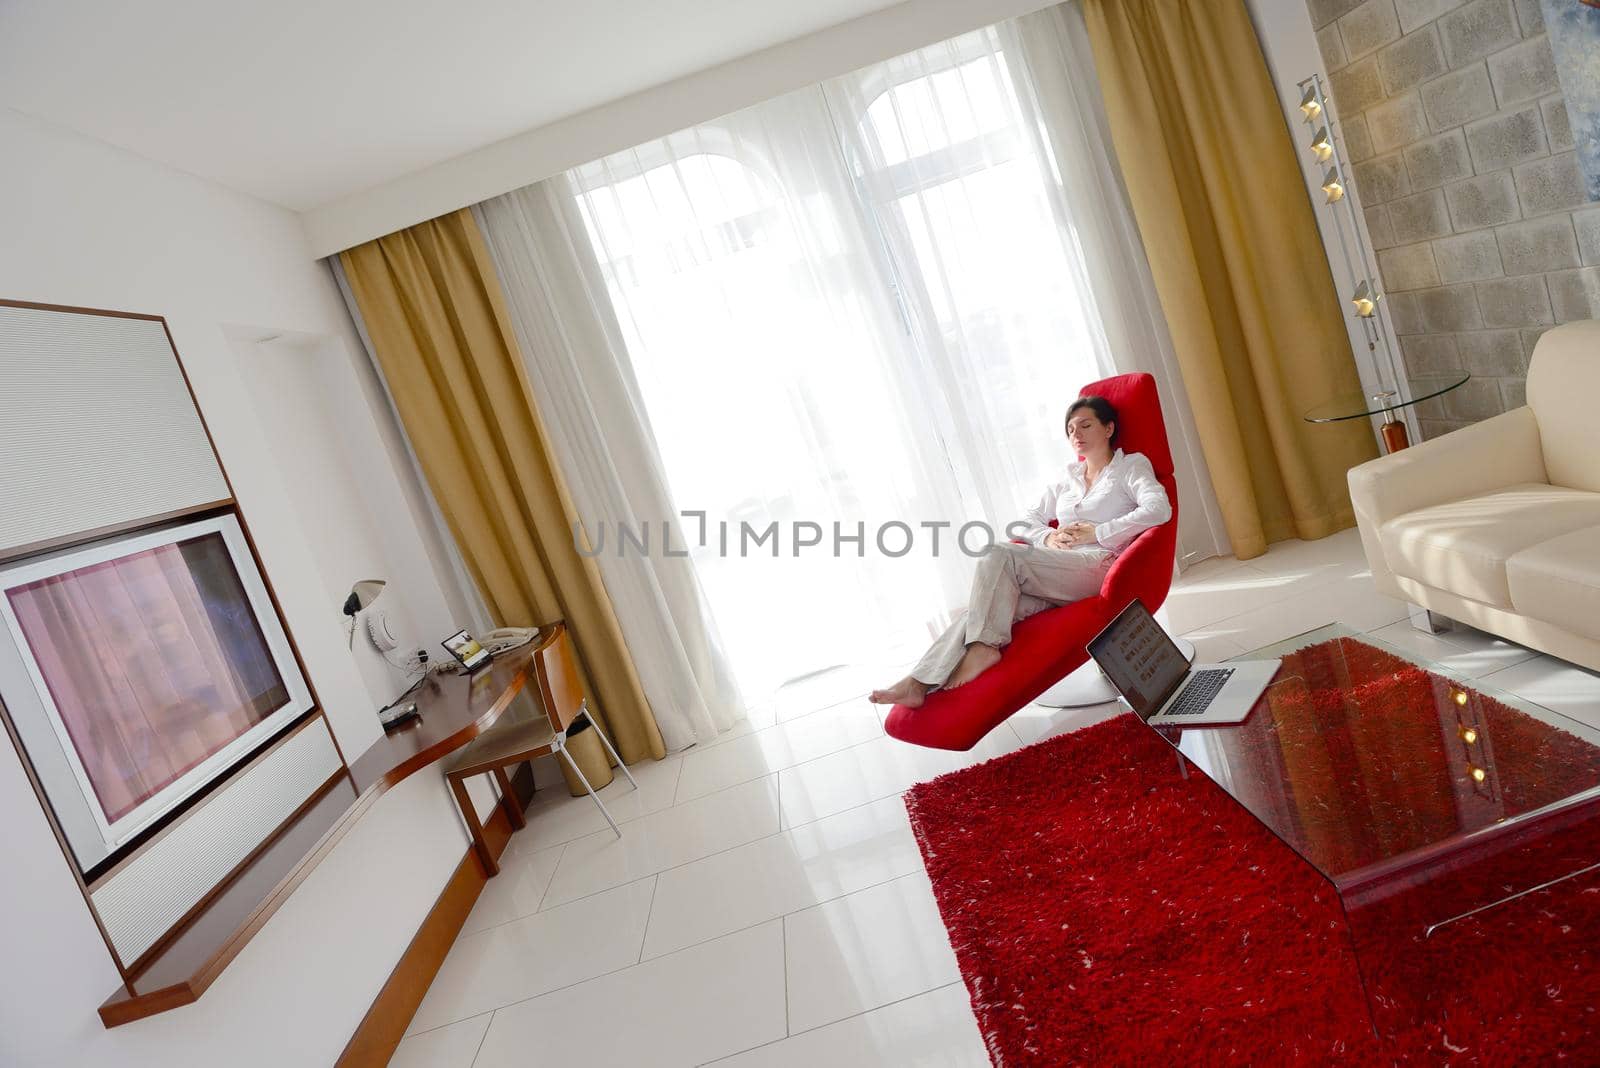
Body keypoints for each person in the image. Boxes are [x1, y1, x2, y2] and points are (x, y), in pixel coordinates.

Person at [869, 395, 1171, 709]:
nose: (1076, 434)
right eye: (1070, 430)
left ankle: (985, 646)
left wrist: (1098, 531)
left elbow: (1158, 509)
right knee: (982, 608)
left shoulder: (1130, 466)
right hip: (1059, 567)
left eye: (1085, 425)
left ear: (1108, 428)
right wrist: (1048, 537)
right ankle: (917, 682)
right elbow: (1025, 521)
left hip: (1100, 566)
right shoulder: (1068, 479)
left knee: (998, 553)